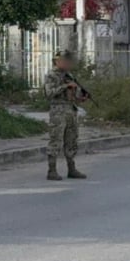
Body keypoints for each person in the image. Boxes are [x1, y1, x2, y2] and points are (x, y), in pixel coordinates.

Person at [42, 49, 88, 181]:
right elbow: (49, 93)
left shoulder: (69, 75)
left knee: (71, 140)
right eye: (64, 61)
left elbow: (75, 93)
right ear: (57, 61)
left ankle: (71, 168)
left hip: (71, 110)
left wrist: (80, 97)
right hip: (58, 111)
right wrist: (65, 86)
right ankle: (52, 170)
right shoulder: (52, 75)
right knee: (56, 139)